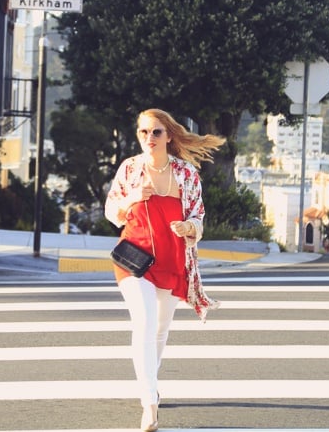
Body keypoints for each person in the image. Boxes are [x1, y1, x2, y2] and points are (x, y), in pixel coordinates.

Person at [104, 108, 225, 432]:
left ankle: (150, 380)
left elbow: (199, 215)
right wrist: (132, 197)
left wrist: (190, 226)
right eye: (143, 132)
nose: (149, 138)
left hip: (171, 260)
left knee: (159, 330)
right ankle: (150, 403)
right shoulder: (130, 169)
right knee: (143, 324)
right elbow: (112, 211)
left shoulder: (185, 173)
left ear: (168, 136)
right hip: (133, 259)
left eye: (156, 132)